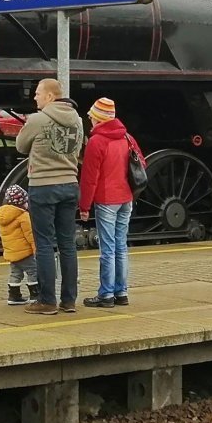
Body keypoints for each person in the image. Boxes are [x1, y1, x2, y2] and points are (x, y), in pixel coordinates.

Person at [14, 76, 84, 314]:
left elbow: (20, 146)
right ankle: (69, 300)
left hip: (43, 186)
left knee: (44, 244)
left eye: (38, 93)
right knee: (67, 244)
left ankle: (46, 301)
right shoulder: (77, 120)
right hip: (70, 184)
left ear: (50, 96)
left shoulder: (37, 119)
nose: (34, 96)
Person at [77, 97, 140, 307]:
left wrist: (84, 206)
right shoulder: (127, 137)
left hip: (106, 200)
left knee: (108, 249)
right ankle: (121, 292)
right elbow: (142, 163)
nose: (90, 120)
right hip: (126, 199)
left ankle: (106, 295)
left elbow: (89, 178)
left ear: (98, 118)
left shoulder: (97, 141)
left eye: (92, 116)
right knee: (121, 246)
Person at [0, 174, 38, 306]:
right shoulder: (23, 216)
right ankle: (35, 294)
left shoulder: (1, 216)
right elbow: (30, 234)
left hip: (12, 253)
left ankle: (14, 296)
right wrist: (36, 249)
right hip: (25, 252)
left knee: (16, 273)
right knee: (33, 271)